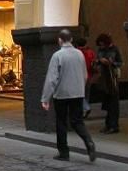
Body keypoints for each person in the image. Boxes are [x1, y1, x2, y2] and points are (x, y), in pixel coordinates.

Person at [41, 29, 96, 162]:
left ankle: (64, 152)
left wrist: (45, 98)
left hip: (62, 94)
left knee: (61, 122)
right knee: (77, 121)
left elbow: (52, 79)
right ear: (71, 40)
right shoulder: (79, 54)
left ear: (60, 40)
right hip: (77, 93)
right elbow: (84, 74)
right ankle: (89, 142)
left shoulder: (57, 55)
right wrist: (80, 89)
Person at [94, 33, 123, 134]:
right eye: (99, 45)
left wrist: (111, 63)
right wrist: (99, 61)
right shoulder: (100, 50)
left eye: (102, 44)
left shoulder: (115, 49)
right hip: (103, 78)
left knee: (113, 102)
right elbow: (95, 62)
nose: (101, 47)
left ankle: (114, 125)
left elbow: (120, 62)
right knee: (107, 102)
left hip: (112, 77)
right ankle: (108, 124)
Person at [75, 37, 96, 119]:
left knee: (80, 94)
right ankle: (84, 110)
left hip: (79, 76)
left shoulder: (77, 52)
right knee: (86, 94)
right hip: (89, 75)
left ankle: (86, 108)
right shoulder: (90, 52)